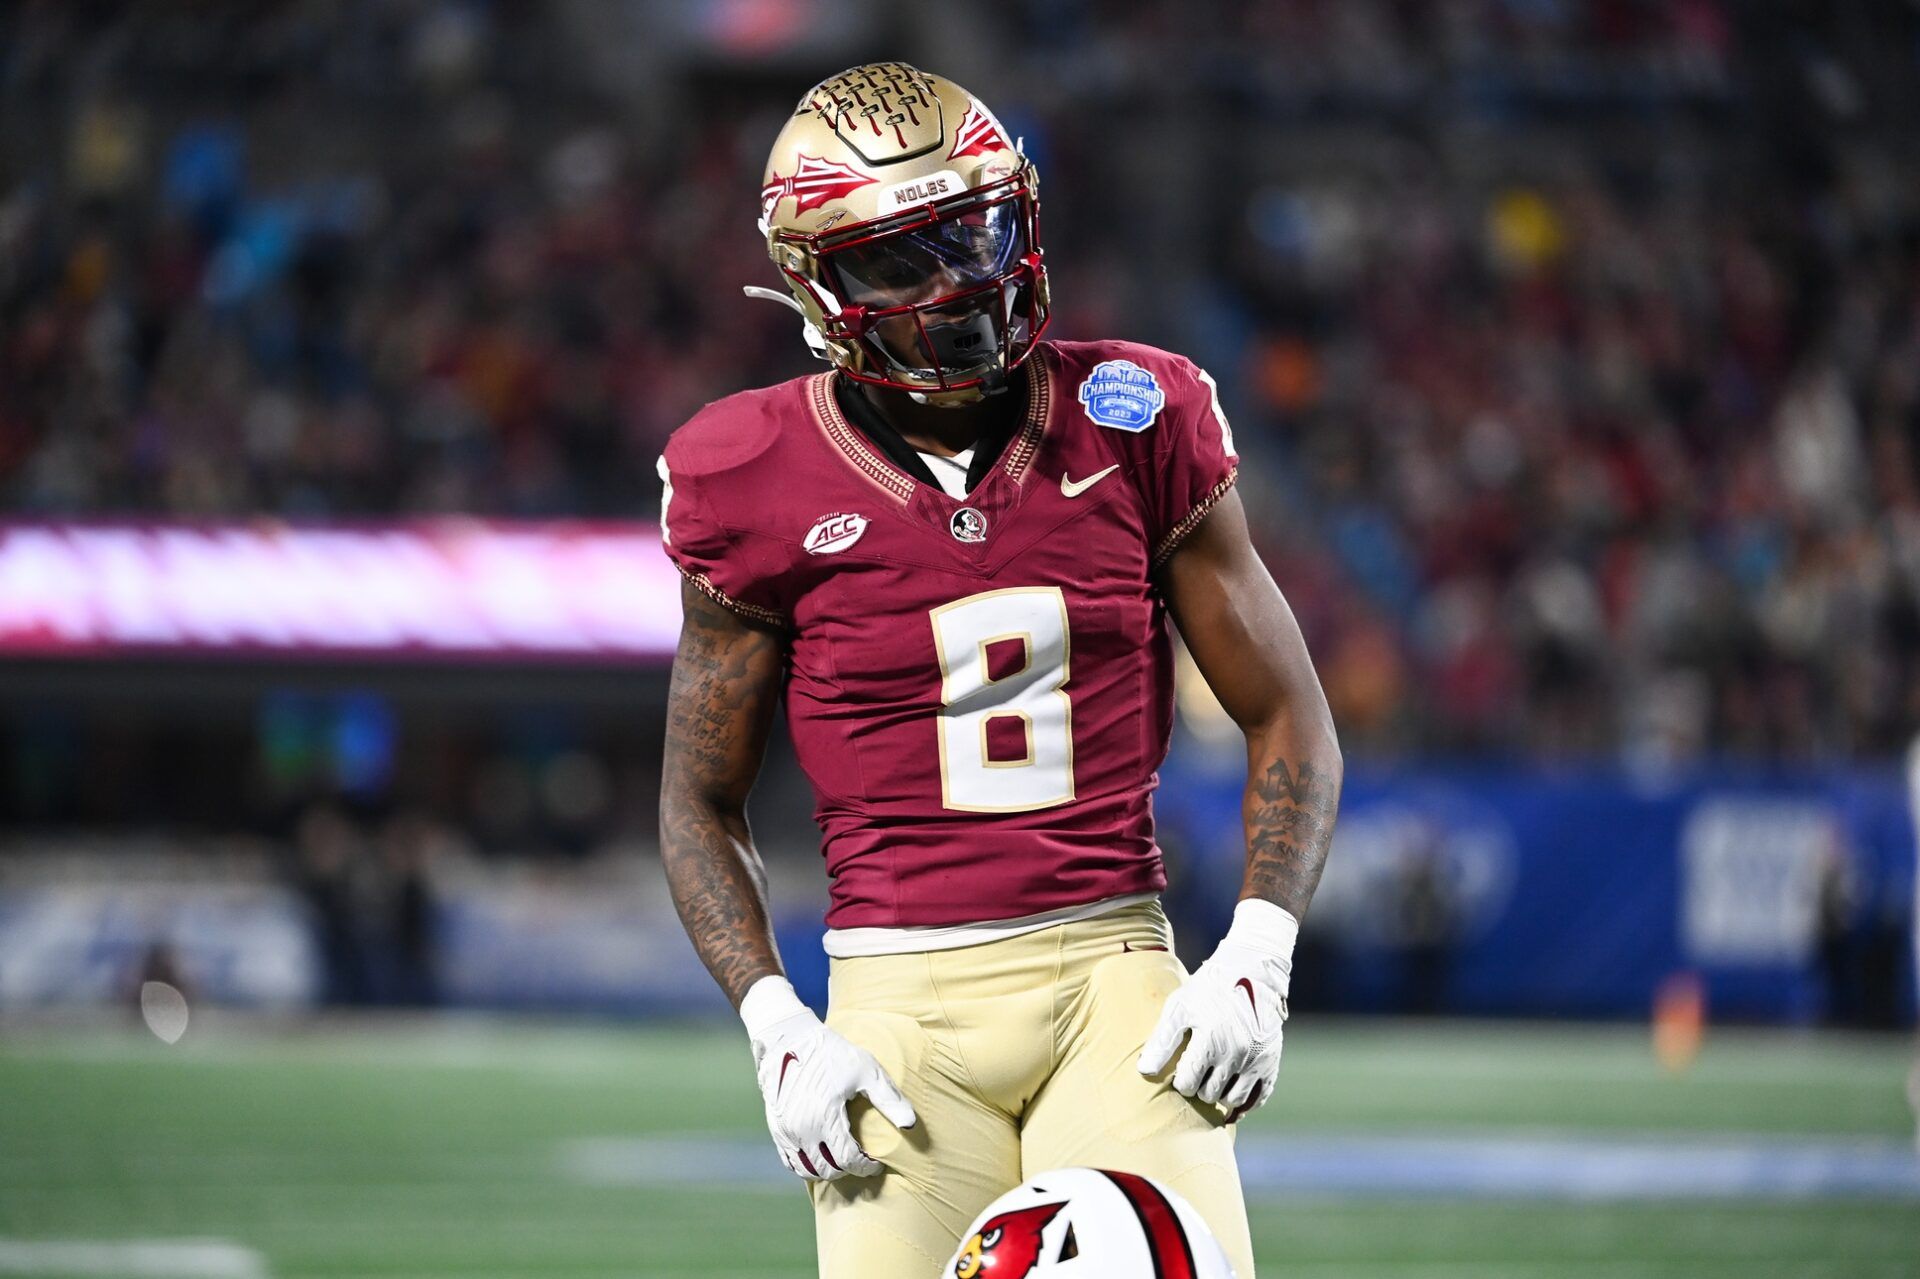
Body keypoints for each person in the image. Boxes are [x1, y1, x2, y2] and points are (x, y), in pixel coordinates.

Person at [656, 63, 1341, 1279]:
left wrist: (1255, 952)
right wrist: (776, 1028)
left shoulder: (1136, 414)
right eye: (902, 258)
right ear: (820, 284)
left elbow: (1290, 711)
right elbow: (696, 800)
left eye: (975, 231)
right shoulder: (749, 473)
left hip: (1114, 982)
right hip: (896, 1010)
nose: (959, 285)